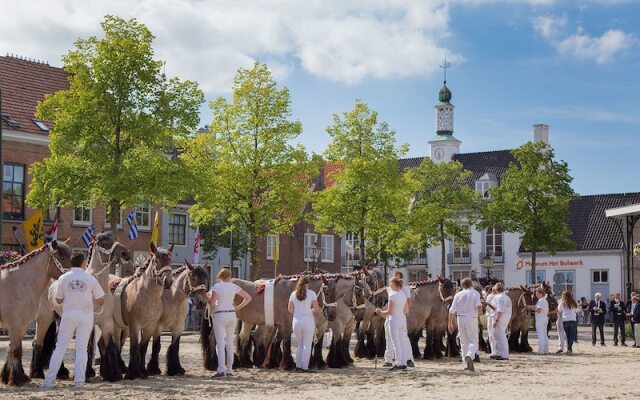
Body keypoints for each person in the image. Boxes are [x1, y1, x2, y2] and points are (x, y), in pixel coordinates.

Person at [41, 252, 105, 389]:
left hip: (69, 315)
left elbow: (58, 299)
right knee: (81, 349)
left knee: (60, 348)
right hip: (86, 316)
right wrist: (90, 301)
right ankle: (79, 381)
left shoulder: (63, 278)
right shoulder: (91, 278)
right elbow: (101, 300)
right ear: (84, 263)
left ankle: (49, 381)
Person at [208, 267, 252, 378]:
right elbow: (248, 298)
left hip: (220, 314)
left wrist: (207, 297)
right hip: (232, 314)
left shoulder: (217, 287)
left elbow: (212, 302)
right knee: (229, 343)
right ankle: (229, 370)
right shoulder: (234, 286)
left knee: (220, 344)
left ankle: (221, 369)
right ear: (229, 276)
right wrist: (238, 307)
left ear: (220, 277)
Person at [448, 277, 482, 371]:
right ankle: (470, 356)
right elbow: (479, 307)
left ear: (462, 285)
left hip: (460, 318)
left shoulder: (458, 294)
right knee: (473, 340)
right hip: (472, 318)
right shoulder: (475, 293)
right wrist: (481, 315)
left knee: (463, 342)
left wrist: (450, 323)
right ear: (471, 284)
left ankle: (465, 364)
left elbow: (452, 310)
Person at [376, 276, 409, 371]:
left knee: (396, 343)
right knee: (402, 342)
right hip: (402, 319)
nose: (390, 285)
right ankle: (403, 363)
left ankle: (398, 363)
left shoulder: (392, 295)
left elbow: (389, 311)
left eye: (391, 283)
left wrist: (379, 312)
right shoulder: (403, 294)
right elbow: (406, 310)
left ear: (394, 284)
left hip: (394, 320)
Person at [288, 276, 320, 373]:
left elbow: (289, 310)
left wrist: (298, 313)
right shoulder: (312, 294)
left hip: (296, 321)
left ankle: (298, 366)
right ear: (307, 284)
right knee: (307, 345)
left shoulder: (293, 294)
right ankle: (304, 367)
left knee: (300, 345)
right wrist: (310, 311)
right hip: (308, 320)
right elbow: (316, 310)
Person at [383, 271, 414, 368]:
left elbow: (408, 303)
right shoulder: (390, 290)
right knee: (390, 338)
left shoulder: (404, 289)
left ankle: (407, 359)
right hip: (395, 316)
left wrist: (381, 312)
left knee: (400, 340)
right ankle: (389, 359)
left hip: (396, 316)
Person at [492, 282, 512, 361]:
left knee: (501, 336)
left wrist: (496, 320)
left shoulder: (500, 297)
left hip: (500, 318)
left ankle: (504, 354)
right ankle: (499, 352)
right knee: (498, 335)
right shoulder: (506, 297)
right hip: (505, 318)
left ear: (496, 289)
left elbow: (500, 310)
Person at [527, 287, 549, 355]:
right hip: (544, 318)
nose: (536, 295)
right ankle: (545, 350)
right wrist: (531, 306)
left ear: (541, 293)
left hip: (540, 319)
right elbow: (537, 307)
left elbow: (538, 310)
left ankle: (541, 351)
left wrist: (530, 308)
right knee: (544, 335)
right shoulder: (544, 300)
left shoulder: (541, 300)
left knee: (541, 335)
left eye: (537, 294)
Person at [484, 285, 497, 358]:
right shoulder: (502, 296)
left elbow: (487, 307)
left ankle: (494, 351)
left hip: (491, 316)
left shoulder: (490, 297)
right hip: (499, 316)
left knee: (491, 335)